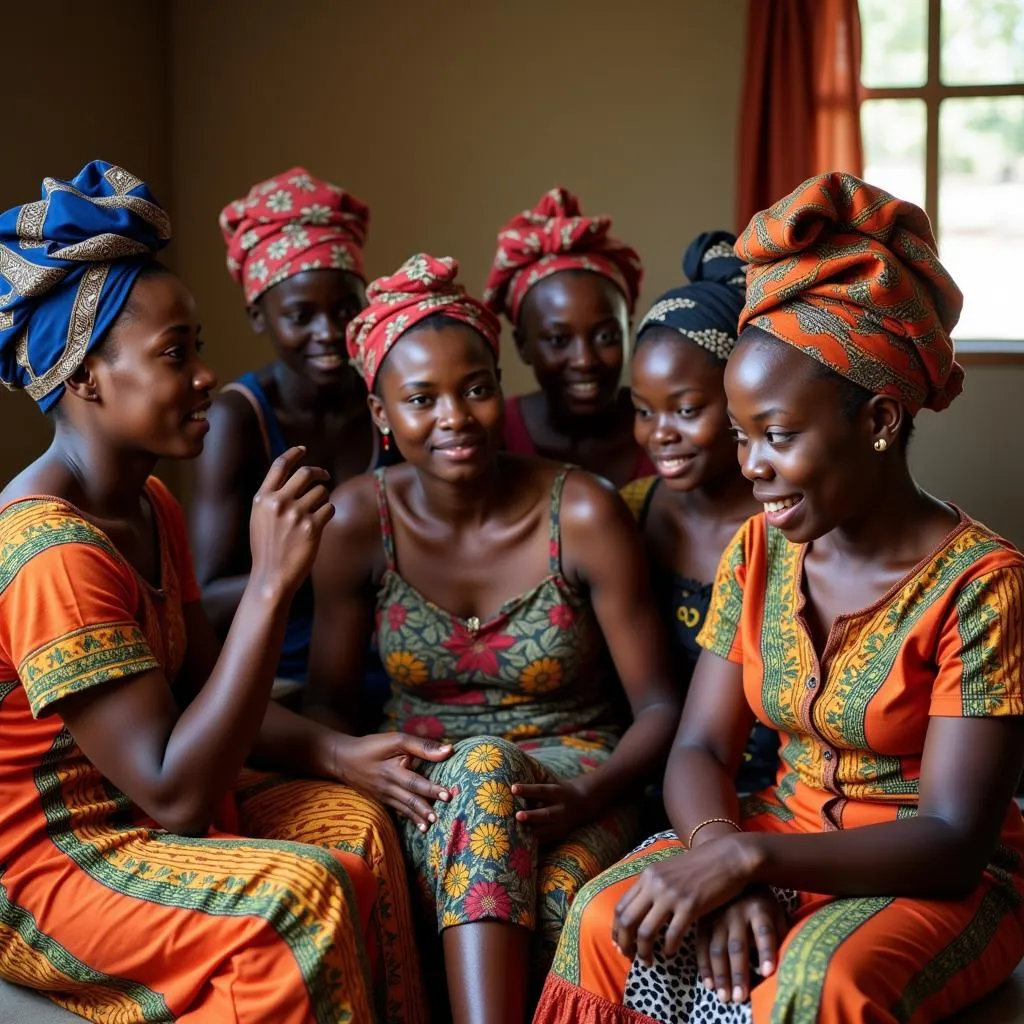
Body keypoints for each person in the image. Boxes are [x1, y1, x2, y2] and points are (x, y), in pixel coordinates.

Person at [534, 173, 1024, 1024]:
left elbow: (952, 840)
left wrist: (757, 867)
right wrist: (722, 854)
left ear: (877, 421)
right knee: (607, 919)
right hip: (775, 830)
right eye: (740, 434)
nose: (751, 464)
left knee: (813, 982)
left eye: (779, 436)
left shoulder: (983, 586)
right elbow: (697, 748)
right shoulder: (759, 550)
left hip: (934, 877)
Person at [0, 161, 428, 1023]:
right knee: (296, 897)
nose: (204, 376)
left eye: (196, 347)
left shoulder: (148, 501)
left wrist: (341, 754)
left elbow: (199, 684)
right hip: (55, 861)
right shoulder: (49, 549)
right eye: (174, 355)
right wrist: (272, 582)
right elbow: (175, 791)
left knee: (361, 830)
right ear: (84, 378)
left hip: (143, 811)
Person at [305, 253, 681, 1024]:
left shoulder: (582, 512)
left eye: (476, 388)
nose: (455, 417)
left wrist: (586, 794)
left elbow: (660, 710)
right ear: (381, 414)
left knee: (542, 888)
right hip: (421, 789)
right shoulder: (355, 521)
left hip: (574, 779)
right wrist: (359, 772)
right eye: (421, 399)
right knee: (485, 794)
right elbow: (329, 707)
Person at [191, 168, 394, 707]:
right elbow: (207, 600)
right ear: (259, 316)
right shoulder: (239, 420)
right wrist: (312, 561)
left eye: (346, 310)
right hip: (283, 678)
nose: (328, 332)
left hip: (394, 666)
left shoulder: (388, 402)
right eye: (301, 315)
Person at [623, 231, 777, 798]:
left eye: (687, 410)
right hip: (657, 781)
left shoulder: (788, 520)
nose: (660, 434)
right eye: (643, 411)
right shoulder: (631, 513)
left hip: (779, 792)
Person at [483, 188, 653, 488]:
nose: (584, 360)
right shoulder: (493, 435)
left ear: (629, 331)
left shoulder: (668, 428)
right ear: (522, 345)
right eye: (559, 340)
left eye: (606, 336)